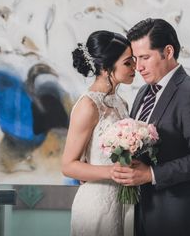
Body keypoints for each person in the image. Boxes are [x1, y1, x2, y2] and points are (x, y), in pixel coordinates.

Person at [112, 18, 190, 236]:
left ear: (168, 52)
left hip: (180, 217)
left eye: (145, 57)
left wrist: (151, 174)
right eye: (134, 59)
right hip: (142, 215)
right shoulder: (143, 93)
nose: (138, 67)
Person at [62, 30, 137, 236]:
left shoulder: (122, 103)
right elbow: (68, 165)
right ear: (105, 68)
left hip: (125, 203)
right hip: (96, 204)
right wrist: (111, 172)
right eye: (128, 63)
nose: (135, 67)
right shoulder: (88, 105)